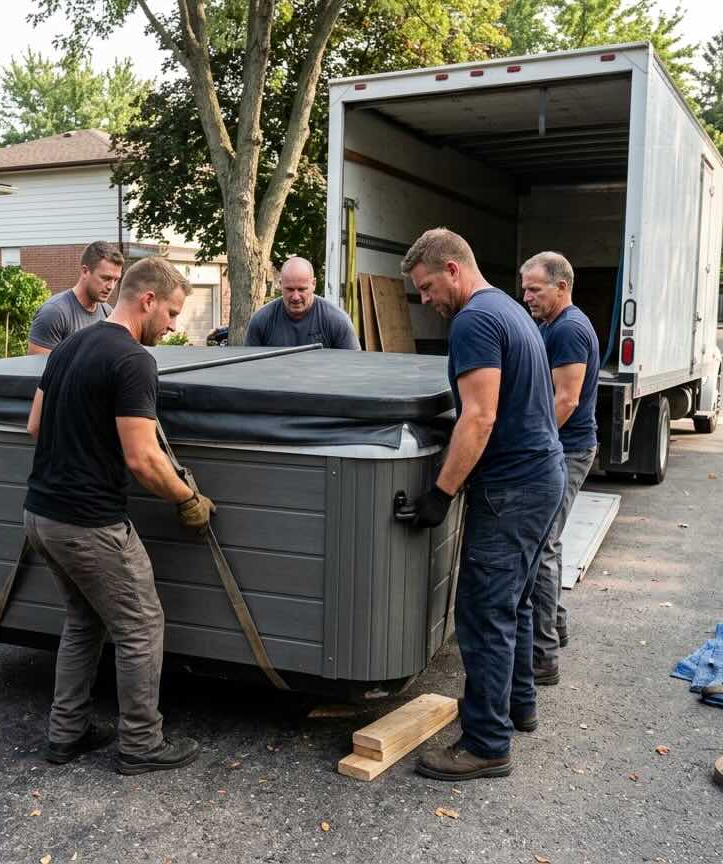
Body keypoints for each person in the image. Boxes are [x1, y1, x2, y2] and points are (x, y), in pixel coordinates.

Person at [23, 256, 214, 775]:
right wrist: (187, 499)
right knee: (141, 626)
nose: (173, 325)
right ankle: (140, 743)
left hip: (41, 516)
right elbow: (142, 458)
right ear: (147, 299)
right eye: (172, 312)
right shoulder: (133, 360)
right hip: (90, 524)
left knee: (85, 621)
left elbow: (35, 425)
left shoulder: (67, 348)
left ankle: (66, 733)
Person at [400, 228, 565, 782]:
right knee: (513, 603)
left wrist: (439, 494)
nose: (426, 301)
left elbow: (480, 416)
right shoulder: (510, 311)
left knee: (483, 612)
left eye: (426, 288)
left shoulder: (474, 320)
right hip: (542, 477)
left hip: (512, 488)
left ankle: (487, 744)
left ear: (452, 269)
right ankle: (519, 708)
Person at [520, 251, 600, 683]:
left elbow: (566, 400)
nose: (526, 295)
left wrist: (531, 443)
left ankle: (543, 656)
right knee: (545, 541)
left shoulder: (568, 328)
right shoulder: (549, 323)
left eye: (535, 288)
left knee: (543, 545)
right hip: (557, 447)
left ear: (561, 286)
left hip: (566, 450)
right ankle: (557, 624)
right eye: (525, 287)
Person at [27, 240, 125, 354]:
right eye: (105, 278)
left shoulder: (107, 312)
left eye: (116, 279)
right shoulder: (54, 313)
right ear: (85, 271)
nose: (111, 286)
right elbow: (38, 369)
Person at [244, 256, 360, 349]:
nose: (295, 297)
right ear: (280, 284)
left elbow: (353, 367)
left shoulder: (337, 321)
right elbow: (249, 369)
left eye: (301, 289)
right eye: (289, 289)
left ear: (313, 284)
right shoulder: (261, 321)